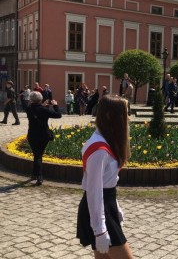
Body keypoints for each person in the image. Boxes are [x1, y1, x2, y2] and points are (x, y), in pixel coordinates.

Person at [77, 95, 134, 259]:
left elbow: (106, 183)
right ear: (111, 116)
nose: (128, 117)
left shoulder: (104, 141)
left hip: (105, 206)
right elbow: (94, 191)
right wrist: (100, 229)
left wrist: (115, 206)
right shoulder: (99, 148)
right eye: (125, 113)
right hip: (99, 210)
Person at [26, 91, 62, 185]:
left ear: (31, 100)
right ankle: (39, 176)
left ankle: (34, 174)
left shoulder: (28, 109)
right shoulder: (44, 110)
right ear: (41, 99)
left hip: (32, 135)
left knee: (36, 154)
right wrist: (55, 105)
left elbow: (35, 107)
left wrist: (43, 105)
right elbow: (58, 115)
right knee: (38, 155)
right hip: (43, 135)